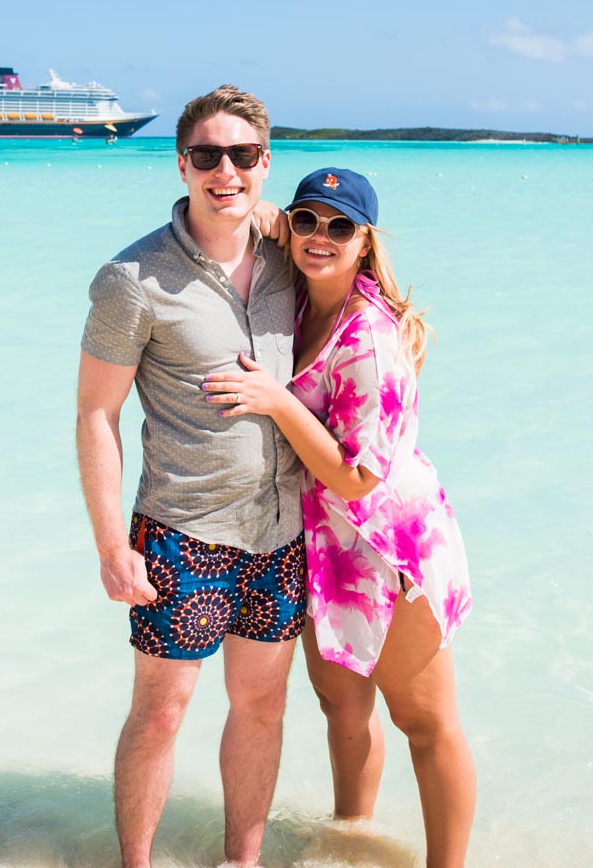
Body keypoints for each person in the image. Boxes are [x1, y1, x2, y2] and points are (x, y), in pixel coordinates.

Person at [203, 167, 475, 868]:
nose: (320, 237)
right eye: (308, 221)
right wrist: (259, 204)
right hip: (326, 547)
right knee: (343, 710)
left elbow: (358, 479)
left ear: (365, 242)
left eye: (340, 226)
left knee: (425, 722)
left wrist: (276, 400)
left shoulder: (370, 340)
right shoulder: (296, 298)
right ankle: (350, 840)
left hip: (393, 548)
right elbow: (247, 208)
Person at [76, 84, 305, 868]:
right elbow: (96, 415)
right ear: (181, 164)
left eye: (242, 155)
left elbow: (362, 267)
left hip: (281, 532)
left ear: (266, 163)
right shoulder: (132, 278)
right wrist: (112, 546)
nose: (225, 171)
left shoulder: (291, 257)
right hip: (183, 532)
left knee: (263, 707)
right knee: (161, 714)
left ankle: (242, 860)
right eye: (207, 156)